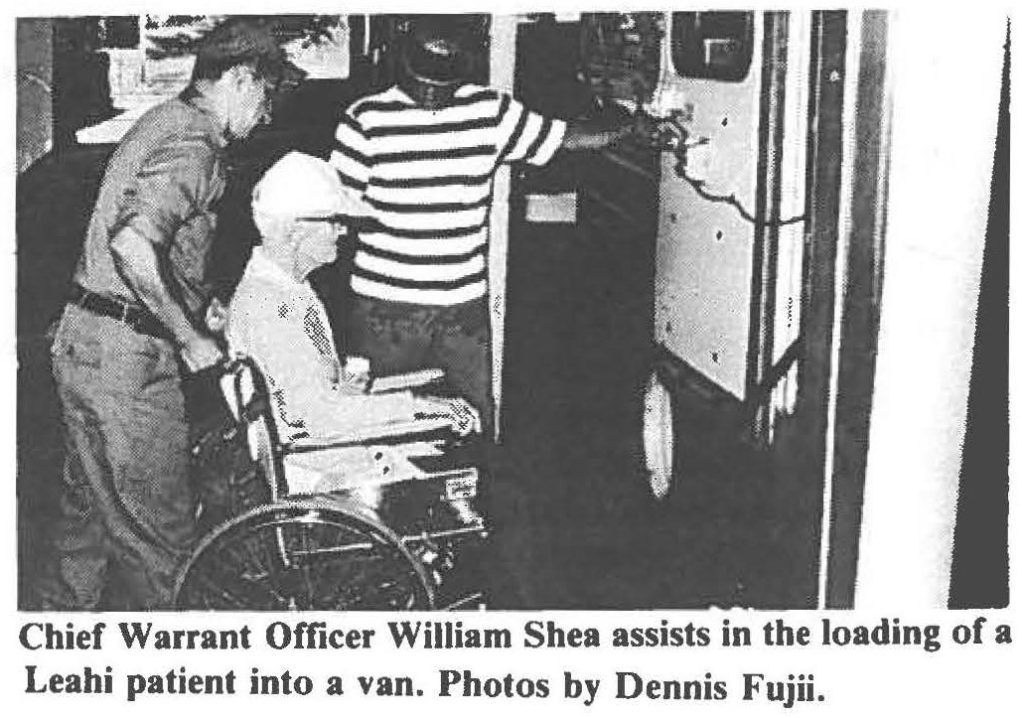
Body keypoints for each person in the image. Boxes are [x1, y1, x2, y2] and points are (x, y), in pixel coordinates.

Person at [42, 18, 296, 610]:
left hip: (86, 344)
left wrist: (196, 303)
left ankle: (53, 656)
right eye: (266, 94)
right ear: (238, 79)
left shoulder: (163, 121)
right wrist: (188, 337)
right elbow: (133, 244)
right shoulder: (197, 141)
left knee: (89, 530)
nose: (267, 115)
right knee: (166, 541)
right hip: (128, 365)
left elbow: (143, 247)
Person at [329, 15, 644, 436]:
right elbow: (335, 210)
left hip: (463, 311)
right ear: (401, 62)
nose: (430, 94)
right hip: (383, 312)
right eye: (422, 80)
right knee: (382, 429)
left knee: (472, 425)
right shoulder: (363, 119)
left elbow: (568, 137)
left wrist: (631, 122)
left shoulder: (491, 111)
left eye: (442, 84)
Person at [227, 151, 480, 455]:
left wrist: (342, 386)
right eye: (334, 221)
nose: (343, 230)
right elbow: (317, 419)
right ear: (294, 229)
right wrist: (419, 407)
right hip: (318, 460)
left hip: (326, 445)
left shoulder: (283, 289)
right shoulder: (271, 307)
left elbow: (303, 398)